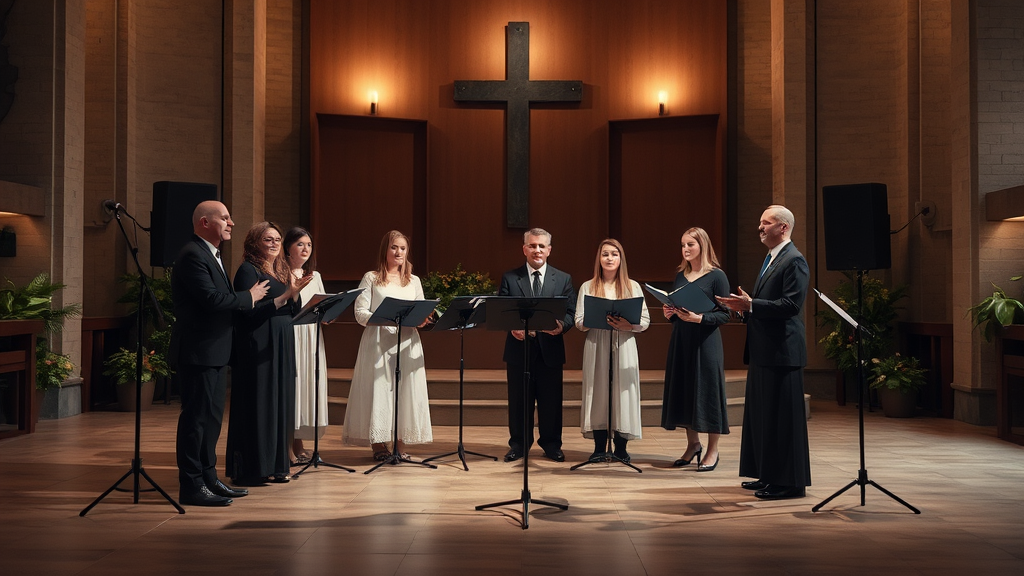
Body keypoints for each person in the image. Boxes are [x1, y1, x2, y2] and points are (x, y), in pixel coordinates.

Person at [171, 200, 268, 507]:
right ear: (204, 223)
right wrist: (248, 297)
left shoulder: (211, 254)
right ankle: (192, 486)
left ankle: (210, 479)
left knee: (211, 421)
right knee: (196, 421)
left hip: (214, 351)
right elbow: (213, 300)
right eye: (225, 218)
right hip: (198, 352)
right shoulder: (191, 255)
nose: (231, 223)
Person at [717, 205, 811, 500]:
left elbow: (792, 306)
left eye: (765, 223)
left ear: (783, 228)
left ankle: (790, 483)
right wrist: (743, 311)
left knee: (783, 420)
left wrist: (752, 305)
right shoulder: (772, 258)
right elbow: (764, 306)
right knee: (764, 417)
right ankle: (769, 475)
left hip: (783, 353)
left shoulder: (795, 261)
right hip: (765, 351)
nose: (760, 227)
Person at [226, 222, 312, 485]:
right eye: (268, 239)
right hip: (258, 342)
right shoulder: (247, 270)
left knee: (279, 403)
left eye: (277, 239)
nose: (275, 243)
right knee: (260, 403)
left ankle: (277, 464)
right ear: (254, 242)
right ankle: (253, 468)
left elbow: (291, 308)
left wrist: (295, 294)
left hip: (283, 340)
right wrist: (284, 296)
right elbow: (246, 313)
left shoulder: (280, 270)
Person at [342, 230, 433, 460]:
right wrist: (384, 318)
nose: (399, 252)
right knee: (380, 390)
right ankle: (379, 445)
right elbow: (360, 312)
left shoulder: (414, 280)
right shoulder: (372, 278)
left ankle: (401, 446)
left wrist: (423, 320)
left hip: (407, 342)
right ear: (386, 250)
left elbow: (421, 308)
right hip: (380, 341)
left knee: (405, 391)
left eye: (403, 248)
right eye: (394, 247)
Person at [499, 228, 575, 463]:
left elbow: (571, 312)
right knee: (519, 401)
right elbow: (502, 312)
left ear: (549, 250)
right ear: (524, 249)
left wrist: (562, 326)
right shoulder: (510, 278)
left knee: (551, 401)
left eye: (542, 246)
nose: (537, 250)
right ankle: (519, 445)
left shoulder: (563, 279)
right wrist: (513, 326)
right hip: (518, 350)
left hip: (550, 350)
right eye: (532, 246)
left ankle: (551, 444)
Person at [660, 227, 731, 472]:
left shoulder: (716, 276)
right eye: (683, 245)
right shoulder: (681, 275)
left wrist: (700, 319)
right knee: (686, 391)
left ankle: (713, 450)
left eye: (690, 244)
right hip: (682, 339)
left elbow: (725, 314)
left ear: (703, 245)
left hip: (706, 342)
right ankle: (693, 445)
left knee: (709, 393)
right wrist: (670, 313)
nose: (686, 249)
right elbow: (679, 309)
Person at [574, 239, 649, 463]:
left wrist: (629, 325)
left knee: (623, 393)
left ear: (621, 259)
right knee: (597, 392)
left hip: (624, 342)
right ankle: (599, 447)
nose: (609, 258)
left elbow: (644, 321)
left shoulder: (632, 286)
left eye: (614, 254)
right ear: (599, 258)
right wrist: (595, 318)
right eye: (605, 254)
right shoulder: (588, 286)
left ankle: (621, 448)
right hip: (597, 343)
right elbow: (579, 321)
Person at [283, 227, 327, 466]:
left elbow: (319, 304)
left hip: (311, 335)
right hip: (293, 334)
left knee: (307, 387)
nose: (305, 249)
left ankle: (299, 443)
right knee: (294, 386)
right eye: (300, 244)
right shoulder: (280, 271)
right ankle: (287, 445)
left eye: (309, 245)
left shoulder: (315, 275)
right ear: (288, 247)